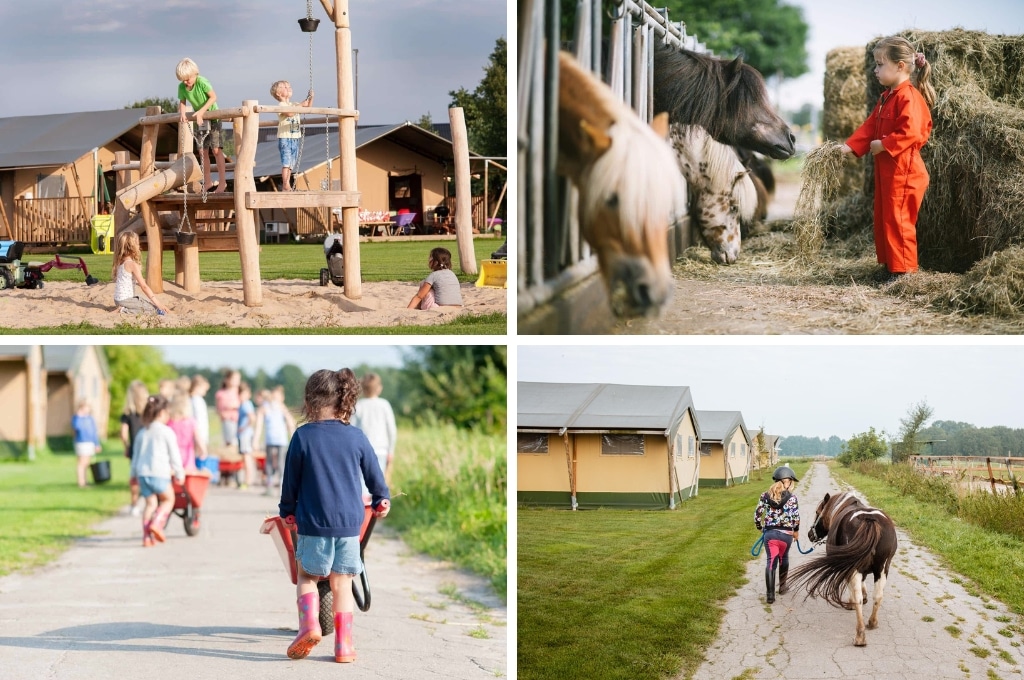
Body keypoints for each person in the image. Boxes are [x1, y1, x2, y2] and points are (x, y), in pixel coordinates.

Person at [279, 368, 390, 663]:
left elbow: (290, 481)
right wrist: (382, 499)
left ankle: (310, 625)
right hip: (349, 525)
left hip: (313, 522)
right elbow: (375, 475)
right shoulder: (356, 436)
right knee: (342, 583)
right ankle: (343, 646)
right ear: (345, 400)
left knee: (307, 576)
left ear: (309, 401)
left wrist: (287, 511)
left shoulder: (302, 437)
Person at [840, 36, 935, 284]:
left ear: (900, 66)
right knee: (885, 217)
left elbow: (911, 132)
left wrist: (883, 145)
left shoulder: (909, 97)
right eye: (876, 64)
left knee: (899, 219)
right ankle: (891, 266)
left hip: (905, 171)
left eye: (880, 64)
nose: (875, 70)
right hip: (890, 171)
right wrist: (849, 147)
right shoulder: (886, 98)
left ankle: (903, 273)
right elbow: (869, 127)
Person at [130, 395, 185, 547]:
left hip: (143, 474)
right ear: (161, 413)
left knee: (150, 504)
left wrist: (133, 475)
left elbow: (136, 455)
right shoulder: (166, 432)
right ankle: (157, 523)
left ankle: (147, 537)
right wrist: (180, 473)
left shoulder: (142, 432)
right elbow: (174, 455)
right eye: (168, 413)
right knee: (168, 499)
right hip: (159, 473)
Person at [176, 57, 227, 193]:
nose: (186, 82)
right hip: (200, 120)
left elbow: (213, 97)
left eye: (188, 78)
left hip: (212, 117)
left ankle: (222, 182)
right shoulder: (182, 87)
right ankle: (208, 181)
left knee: (216, 150)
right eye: (183, 79)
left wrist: (201, 112)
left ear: (195, 74)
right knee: (202, 151)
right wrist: (182, 113)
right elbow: (182, 101)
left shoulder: (202, 81)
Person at [754, 466, 801, 604]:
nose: (792, 484)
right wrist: (796, 531)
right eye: (791, 481)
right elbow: (796, 517)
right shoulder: (792, 498)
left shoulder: (765, 495)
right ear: (786, 481)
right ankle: (783, 587)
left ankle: (770, 596)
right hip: (786, 535)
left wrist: (761, 527)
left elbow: (757, 515)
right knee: (783, 558)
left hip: (770, 535)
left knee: (771, 561)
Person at [352, 373, 397, 486]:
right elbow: (392, 430)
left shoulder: (358, 406)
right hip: (381, 450)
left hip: (362, 450)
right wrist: (391, 451)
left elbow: (352, 429)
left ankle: (364, 503)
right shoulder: (384, 405)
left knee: (362, 483)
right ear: (379, 388)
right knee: (378, 483)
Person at [269, 80, 313, 191]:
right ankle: (285, 185)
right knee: (286, 162)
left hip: (295, 138)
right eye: (285, 87)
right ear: (278, 94)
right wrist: (301, 104)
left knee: (291, 164)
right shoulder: (281, 105)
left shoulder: (294, 104)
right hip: (285, 138)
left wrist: (310, 98)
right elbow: (290, 113)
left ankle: (287, 183)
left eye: (289, 86)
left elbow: (307, 107)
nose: (288, 88)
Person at [112, 231, 167, 315]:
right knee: (154, 310)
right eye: (137, 244)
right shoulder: (132, 265)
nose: (139, 246)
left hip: (117, 300)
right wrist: (158, 303)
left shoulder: (121, 262)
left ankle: (122, 307)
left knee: (145, 303)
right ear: (132, 247)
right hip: (126, 300)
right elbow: (144, 286)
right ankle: (123, 310)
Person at [253, 385, 296, 496]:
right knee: (276, 463)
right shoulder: (275, 407)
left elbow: (290, 422)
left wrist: (256, 440)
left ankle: (274, 486)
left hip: (276, 439)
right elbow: (290, 423)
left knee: (273, 463)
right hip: (276, 439)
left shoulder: (272, 407)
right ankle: (275, 486)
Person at [121, 380, 149, 515]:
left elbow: (123, 433)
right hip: (149, 449)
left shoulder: (127, 414)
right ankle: (150, 501)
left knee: (134, 478)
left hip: (135, 450)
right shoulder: (148, 413)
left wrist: (126, 446)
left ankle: (134, 504)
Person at [72, 400, 102, 488]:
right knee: (81, 462)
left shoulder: (90, 418)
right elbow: (76, 427)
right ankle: (81, 482)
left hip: (90, 442)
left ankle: (85, 480)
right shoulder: (76, 418)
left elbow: (94, 432)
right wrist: (79, 416)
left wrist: (97, 444)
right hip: (81, 442)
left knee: (87, 463)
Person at [168, 392, 199, 472]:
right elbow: (197, 438)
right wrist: (202, 449)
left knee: (173, 477)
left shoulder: (169, 422)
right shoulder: (191, 422)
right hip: (187, 455)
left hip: (172, 454)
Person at [215, 370, 241, 453]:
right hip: (227, 420)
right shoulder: (221, 393)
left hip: (238, 420)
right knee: (229, 441)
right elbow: (218, 408)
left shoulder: (239, 392)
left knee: (236, 441)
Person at [237, 382, 256, 489]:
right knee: (246, 457)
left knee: (246, 457)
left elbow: (252, 418)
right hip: (245, 435)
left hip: (245, 435)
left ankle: (247, 481)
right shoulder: (245, 404)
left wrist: (243, 428)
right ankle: (248, 480)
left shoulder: (245, 404)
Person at [188, 375, 211, 463]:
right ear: (198, 387)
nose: (205, 392)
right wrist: (200, 438)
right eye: (204, 389)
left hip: (196, 435)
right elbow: (199, 420)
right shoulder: (197, 400)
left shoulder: (191, 400)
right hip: (199, 435)